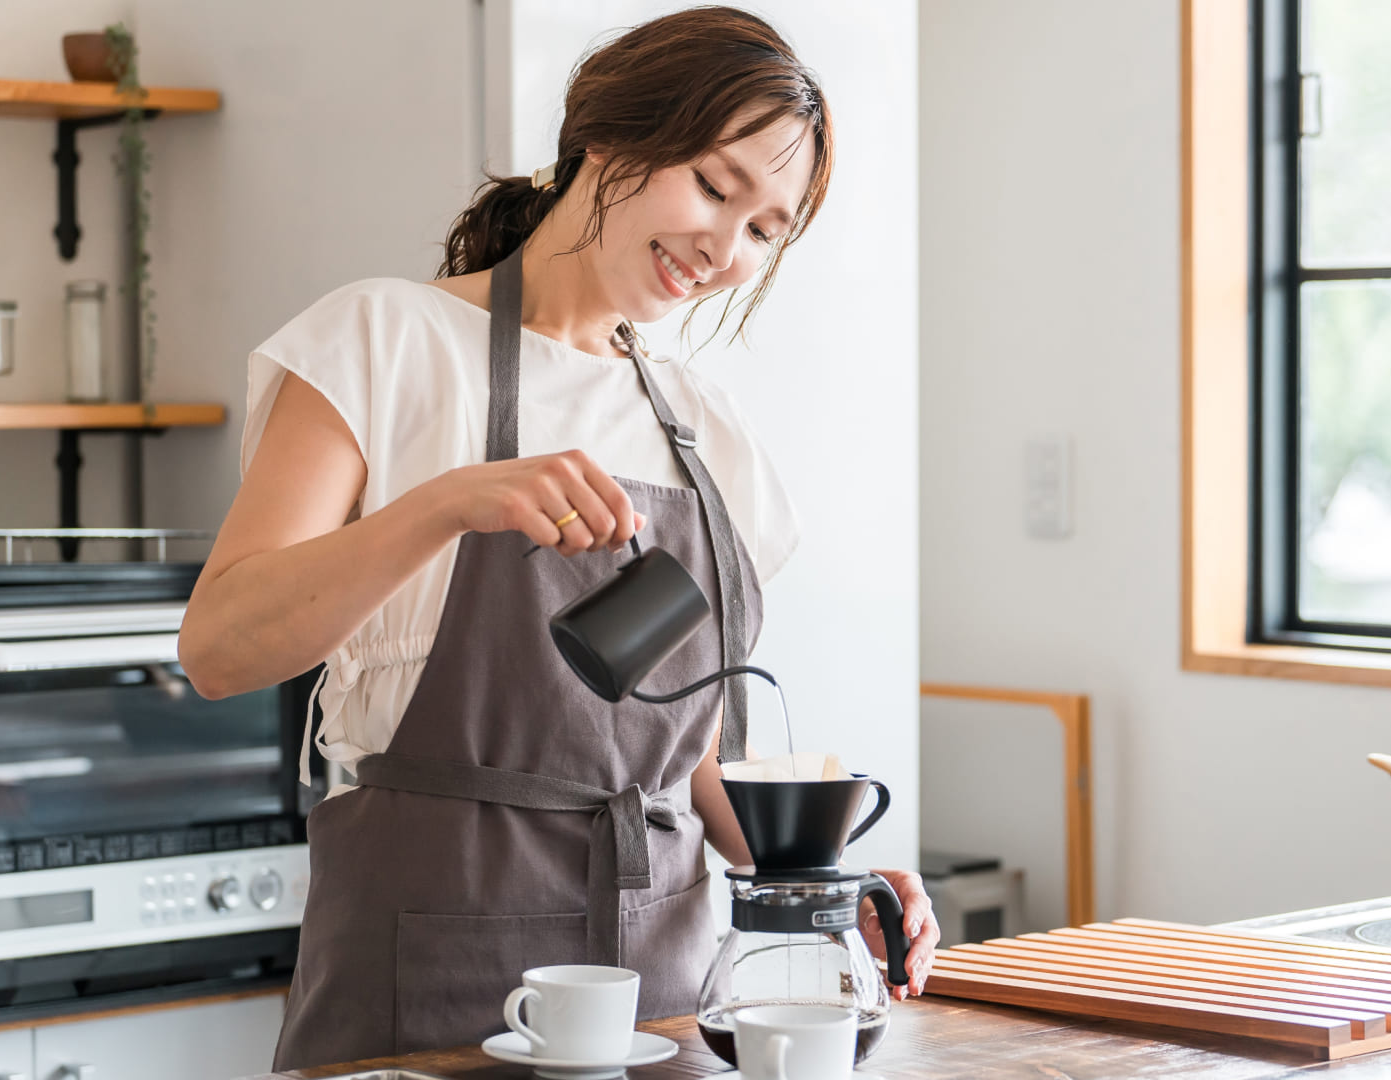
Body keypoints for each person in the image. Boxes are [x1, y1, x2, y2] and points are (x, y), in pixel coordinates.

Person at [176, 7, 938, 1070]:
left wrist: (819, 881)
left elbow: (694, 754)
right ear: (608, 133)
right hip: (425, 969)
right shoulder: (381, 342)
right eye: (716, 188)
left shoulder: (707, 432)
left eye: (766, 231)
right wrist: (449, 501)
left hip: (667, 997)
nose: (725, 250)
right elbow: (220, 648)